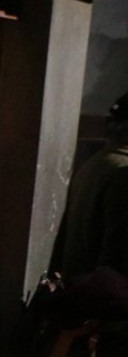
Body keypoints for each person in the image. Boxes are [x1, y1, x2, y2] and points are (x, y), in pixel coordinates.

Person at [57, 91, 128, 320]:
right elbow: (115, 266)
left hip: (84, 307)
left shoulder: (98, 163)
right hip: (103, 318)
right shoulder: (122, 173)